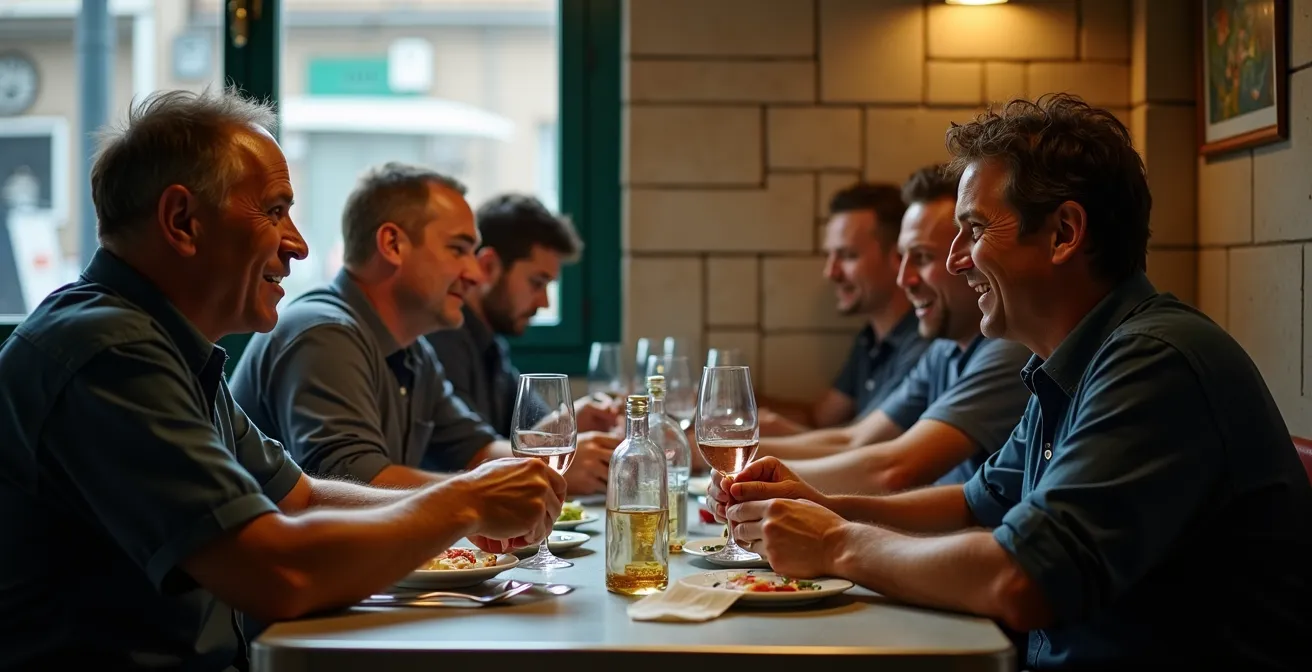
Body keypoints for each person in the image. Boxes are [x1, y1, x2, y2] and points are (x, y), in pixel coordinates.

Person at [719, 95, 1312, 670]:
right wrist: (824, 506)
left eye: (973, 229)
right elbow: (976, 506)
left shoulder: (1156, 363)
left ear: (1063, 233)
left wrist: (835, 543)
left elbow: (1020, 580)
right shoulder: (1071, 362)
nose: (956, 260)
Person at [0, 88, 565, 670]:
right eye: (274, 211)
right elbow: (278, 572)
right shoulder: (111, 351)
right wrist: (461, 506)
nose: (297, 244)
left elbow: (300, 496)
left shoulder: (167, 343)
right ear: (182, 221)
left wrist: (467, 506)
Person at [231, 164, 617, 495]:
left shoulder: (413, 350)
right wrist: (487, 493)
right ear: (392, 244)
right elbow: (358, 486)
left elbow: (477, 450)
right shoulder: (324, 334)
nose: (473, 273)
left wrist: (552, 456)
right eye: (459, 250)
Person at [747, 165, 1031, 493]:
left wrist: (749, 469)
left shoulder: (1009, 352)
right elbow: (854, 438)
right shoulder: (944, 348)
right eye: (903, 258)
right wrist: (745, 452)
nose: (904, 279)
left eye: (922, 258)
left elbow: (893, 469)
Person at [425, 193, 620, 437]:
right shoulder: (442, 342)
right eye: (537, 283)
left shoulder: (492, 346)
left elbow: (529, 432)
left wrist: (574, 422)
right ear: (488, 267)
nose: (544, 302)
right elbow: (470, 459)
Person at [757, 182, 930, 436]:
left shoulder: (923, 342)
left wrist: (757, 436)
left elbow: (865, 446)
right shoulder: (870, 338)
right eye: (830, 256)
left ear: (898, 258)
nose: (830, 273)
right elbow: (819, 418)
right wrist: (733, 403)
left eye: (847, 255)